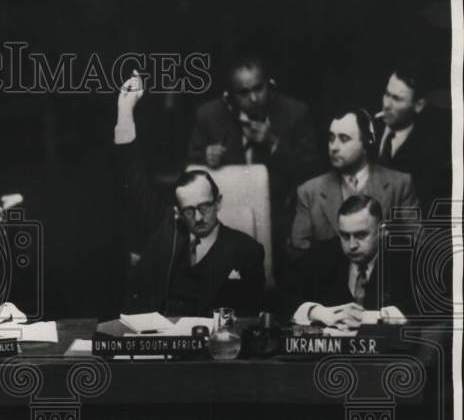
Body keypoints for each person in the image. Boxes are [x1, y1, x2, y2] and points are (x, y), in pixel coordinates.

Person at [116, 76, 266, 317]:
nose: (198, 217)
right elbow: (132, 181)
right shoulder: (166, 229)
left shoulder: (247, 251)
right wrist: (125, 110)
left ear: (218, 203)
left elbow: (252, 317)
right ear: (177, 213)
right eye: (189, 210)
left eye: (205, 206)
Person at [187, 54, 319, 278]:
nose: (255, 98)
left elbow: (312, 171)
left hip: (282, 217)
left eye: (259, 88)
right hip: (229, 216)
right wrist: (205, 160)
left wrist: (274, 144)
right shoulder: (209, 116)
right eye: (244, 93)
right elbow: (190, 171)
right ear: (229, 96)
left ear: (271, 85)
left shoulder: (295, 113)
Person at [289, 106, 419, 254]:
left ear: (366, 142)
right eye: (331, 138)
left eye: (344, 139)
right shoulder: (309, 192)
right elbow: (298, 252)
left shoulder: (399, 184)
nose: (333, 147)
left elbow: (416, 243)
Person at [282, 194, 415, 327]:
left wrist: (373, 317)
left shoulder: (408, 260)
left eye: (361, 235)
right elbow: (281, 298)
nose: (352, 245)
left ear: (382, 231)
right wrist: (318, 312)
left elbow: (426, 308)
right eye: (345, 236)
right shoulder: (321, 256)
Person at [375, 64, 450, 212]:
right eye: (386, 94)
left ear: (419, 105)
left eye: (396, 99)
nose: (386, 105)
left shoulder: (429, 153)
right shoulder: (365, 128)